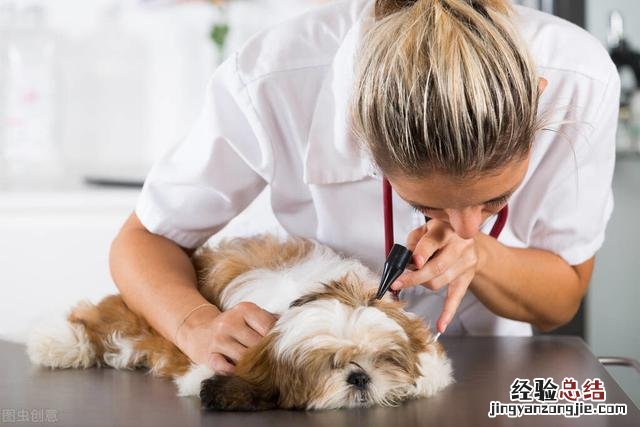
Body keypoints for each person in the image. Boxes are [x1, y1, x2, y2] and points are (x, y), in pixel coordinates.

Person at [109, 0, 620, 374]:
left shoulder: (580, 77)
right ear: (360, 127)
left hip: (493, 368)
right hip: (322, 372)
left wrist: (483, 257)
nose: (466, 227)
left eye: (495, 200)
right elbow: (142, 241)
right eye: (423, 205)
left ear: (538, 100)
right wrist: (194, 323)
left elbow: (562, 298)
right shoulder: (275, 78)